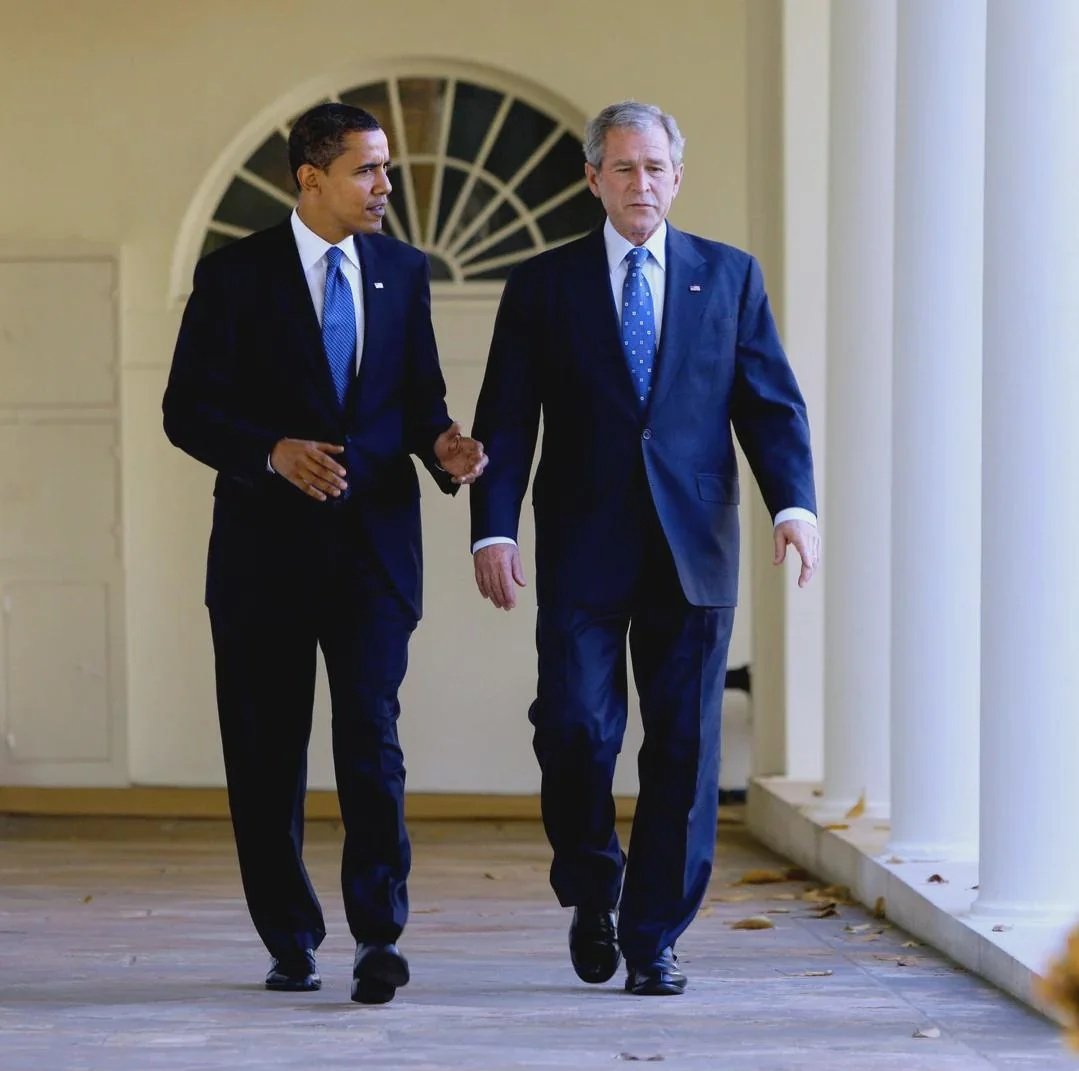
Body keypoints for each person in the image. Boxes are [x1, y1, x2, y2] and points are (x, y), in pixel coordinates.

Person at [469, 101, 818, 996]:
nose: (641, 185)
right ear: (593, 179)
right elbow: (506, 418)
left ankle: (653, 935)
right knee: (577, 728)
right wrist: (494, 526)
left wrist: (794, 506)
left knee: (683, 750)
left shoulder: (728, 277)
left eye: (655, 168)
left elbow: (768, 404)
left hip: (693, 547)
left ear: (677, 174)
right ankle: (593, 888)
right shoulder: (542, 285)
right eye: (622, 169)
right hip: (583, 545)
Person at [163, 102, 486, 1005]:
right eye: (368, 171)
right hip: (263, 558)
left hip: (375, 556)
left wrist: (446, 448)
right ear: (311, 179)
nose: (387, 186)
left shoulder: (402, 272)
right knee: (266, 755)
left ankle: (378, 936)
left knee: (371, 743)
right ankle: (291, 938)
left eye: (386, 168)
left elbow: (418, 401)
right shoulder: (233, 277)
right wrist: (270, 451)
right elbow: (185, 410)